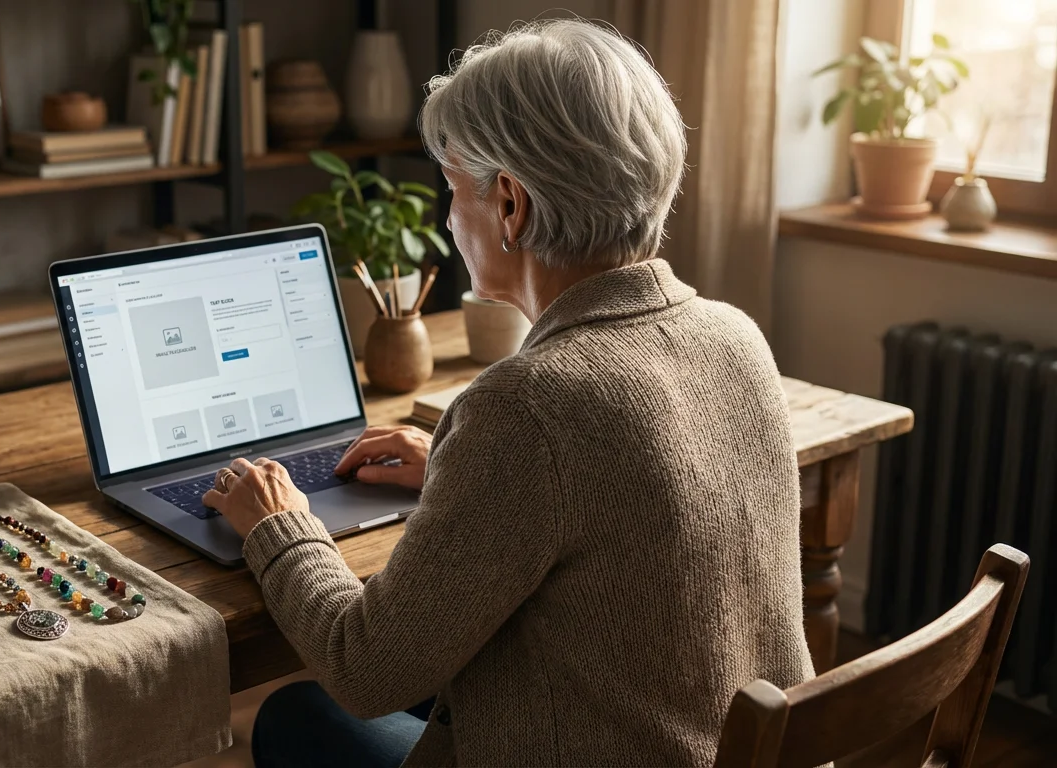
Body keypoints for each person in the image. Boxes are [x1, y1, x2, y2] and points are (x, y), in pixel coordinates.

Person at [200, 18, 815, 767]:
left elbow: (365, 669)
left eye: (456, 190)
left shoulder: (525, 407)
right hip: (730, 747)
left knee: (299, 712)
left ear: (511, 207)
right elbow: (624, 503)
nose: (451, 218)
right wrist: (461, 474)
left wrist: (279, 525)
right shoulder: (734, 337)